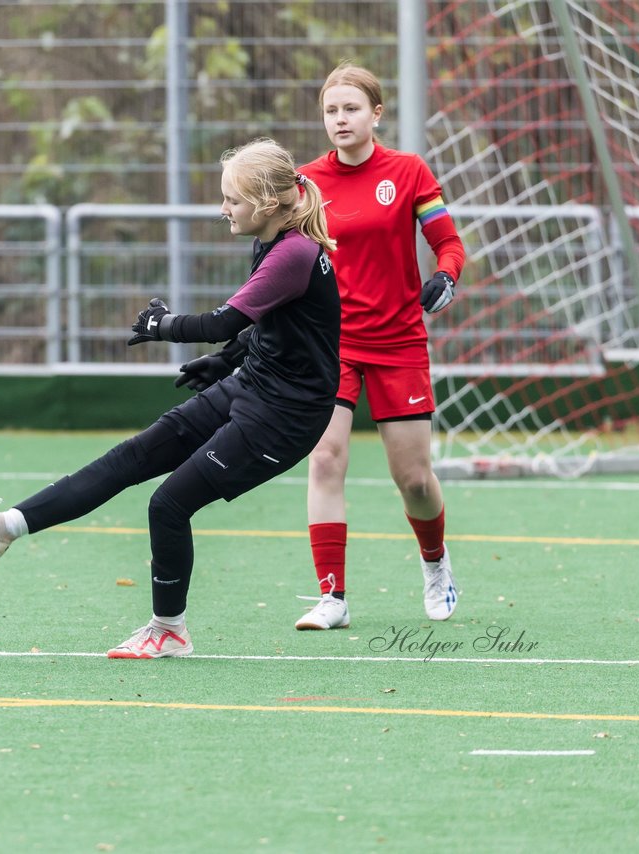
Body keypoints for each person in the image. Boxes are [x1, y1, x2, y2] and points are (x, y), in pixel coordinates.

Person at [0, 138, 341, 659]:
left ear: (265, 203)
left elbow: (221, 321)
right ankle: (4, 528)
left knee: (169, 504)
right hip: (252, 386)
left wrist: (161, 325)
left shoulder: (293, 253)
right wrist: (227, 361)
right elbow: (281, 324)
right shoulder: (273, 240)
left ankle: (169, 631)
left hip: (284, 417)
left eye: (232, 199)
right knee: (132, 456)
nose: (223, 208)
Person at [180, 62, 467, 631]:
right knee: (326, 459)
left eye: (351, 108)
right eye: (331, 110)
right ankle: (332, 596)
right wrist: (234, 352)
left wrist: (446, 275)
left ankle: (435, 563)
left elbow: (449, 242)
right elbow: (276, 282)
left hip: (400, 343)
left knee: (414, 479)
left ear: (375, 114)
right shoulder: (305, 185)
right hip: (328, 349)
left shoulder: (408, 172)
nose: (341, 119)